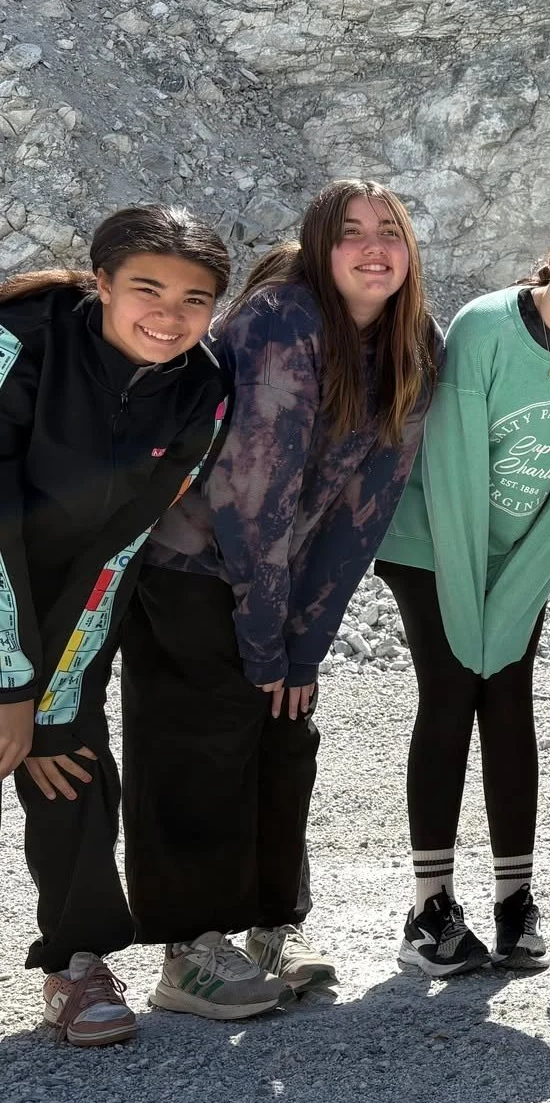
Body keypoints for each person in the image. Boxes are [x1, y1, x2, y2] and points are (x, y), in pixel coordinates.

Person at [121, 178, 441, 1020]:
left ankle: (268, 923)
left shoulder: (413, 342)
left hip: (280, 571)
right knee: (202, 741)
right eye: (352, 233)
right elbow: (252, 496)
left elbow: (368, 507)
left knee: (285, 731)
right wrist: (266, 642)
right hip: (192, 561)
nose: (375, 248)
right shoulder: (281, 320)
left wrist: (302, 647)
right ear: (318, 246)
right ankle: (189, 952)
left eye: (391, 232)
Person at [375, 207, 550, 978]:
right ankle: (429, 908)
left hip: (515, 555)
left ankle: (514, 900)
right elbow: (453, 466)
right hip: (431, 540)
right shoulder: (486, 327)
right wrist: (475, 609)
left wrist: (516, 591)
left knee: (508, 697)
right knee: (451, 690)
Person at [0, 207, 232, 1046]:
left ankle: (79, 959)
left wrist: (47, 699)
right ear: (101, 283)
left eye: (195, 299)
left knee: (69, 759)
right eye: (147, 288)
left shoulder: (202, 387)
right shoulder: (16, 342)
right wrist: (9, 686)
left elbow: (118, 550)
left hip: (71, 587)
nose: (169, 315)